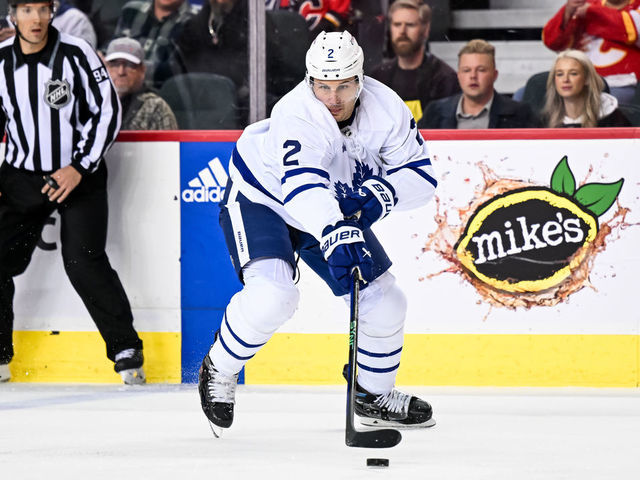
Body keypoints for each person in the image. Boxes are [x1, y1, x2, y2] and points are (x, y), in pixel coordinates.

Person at [198, 31, 437, 433]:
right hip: (265, 199)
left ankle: (372, 395)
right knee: (272, 296)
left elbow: (422, 176)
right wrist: (337, 233)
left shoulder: (387, 108)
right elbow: (303, 189)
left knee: (385, 301)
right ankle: (218, 369)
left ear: (361, 79)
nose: (333, 98)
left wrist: (381, 194)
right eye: (323, 86)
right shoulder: (297, 113)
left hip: (333, 203)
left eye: (344, 85)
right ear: (310, 81)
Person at [0, 0, 145, 384]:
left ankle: (126, 351)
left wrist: (80, 167)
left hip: (79, 176)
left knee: (84, 262)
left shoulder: (76, 52)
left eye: (43, 9)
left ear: (52, 12)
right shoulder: (0, 60)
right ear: (12, 15)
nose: (36, 19)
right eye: (27, 10)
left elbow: (108, 110)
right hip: (21, 178)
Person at [370, 0, 460, 124]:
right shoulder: (377, 77)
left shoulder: (445, 79)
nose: (402, 31)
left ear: (426, 29)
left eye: (410, 25)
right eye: (397, 24)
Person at [419, 39, 539, 129]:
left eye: (481, 70)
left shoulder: (521, 114)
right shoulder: (435, 112)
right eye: (466, 70)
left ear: (495, 75)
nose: (473, 76)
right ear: (458, 75)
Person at [542, 0, 640, 104]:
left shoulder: (636, 5)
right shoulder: (586, 3)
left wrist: (593, 12)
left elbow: (633, 30)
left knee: (599, 106)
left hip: (621, 83)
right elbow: (551, 41)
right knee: (526, 93)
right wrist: (567, 12)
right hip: (578, 80)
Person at [113, 0, 197, 89]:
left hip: (161, 96)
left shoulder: (195, 22)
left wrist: (126, 68)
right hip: (118, 91)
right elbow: (111, 48)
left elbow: (175, 71)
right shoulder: (131, 9)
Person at [542, 49, 631, 127]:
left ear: (587, 79)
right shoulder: (543, 120)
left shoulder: (612, 119)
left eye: (573, 73)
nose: (565, 80)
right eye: (560, 74)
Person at [105, 37, 178, 130]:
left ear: (142, 70)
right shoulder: (93, 103)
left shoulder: (155, 108)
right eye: (114, 65)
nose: (121, 72)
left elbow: (170, 144)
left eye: (129, 65)